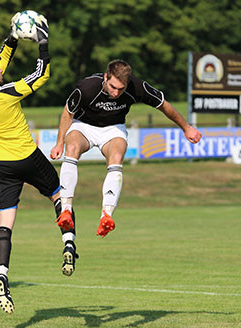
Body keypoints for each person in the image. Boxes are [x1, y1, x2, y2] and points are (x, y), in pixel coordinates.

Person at [0, 13, 76, 315]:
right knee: (59, 194)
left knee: (5, 223)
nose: (0, 69)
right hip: (28, 157)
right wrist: (42, 42)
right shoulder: (7, 94)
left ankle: (1, 273)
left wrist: (13, 38)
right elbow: (42, 75)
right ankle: (68, 243)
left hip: (1, 166)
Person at [50, 60, 202, 238]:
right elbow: (68, 112)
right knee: (72, 147)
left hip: (113, 128)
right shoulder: (87, 87)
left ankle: (107, 215)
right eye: (113, 87)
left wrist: (186, 127)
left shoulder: (137, 87)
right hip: (84, 126)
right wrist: (60, 142)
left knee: (116, 156)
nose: (116, 93)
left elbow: (164, 105)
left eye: (121, 89)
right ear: (106, 77)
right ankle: (66, 209)